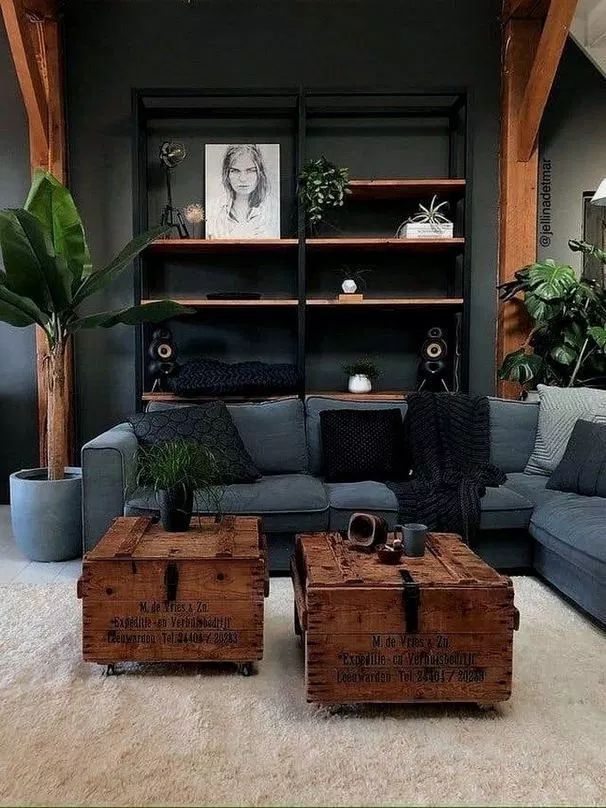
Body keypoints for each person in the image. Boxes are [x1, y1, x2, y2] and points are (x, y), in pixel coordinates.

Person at [207, 144, 279, 239]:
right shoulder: (213, 209)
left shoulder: (274, 208)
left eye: (250, 171)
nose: (243, 179)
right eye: (235, 171)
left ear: (259, 173)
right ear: (227, 174)